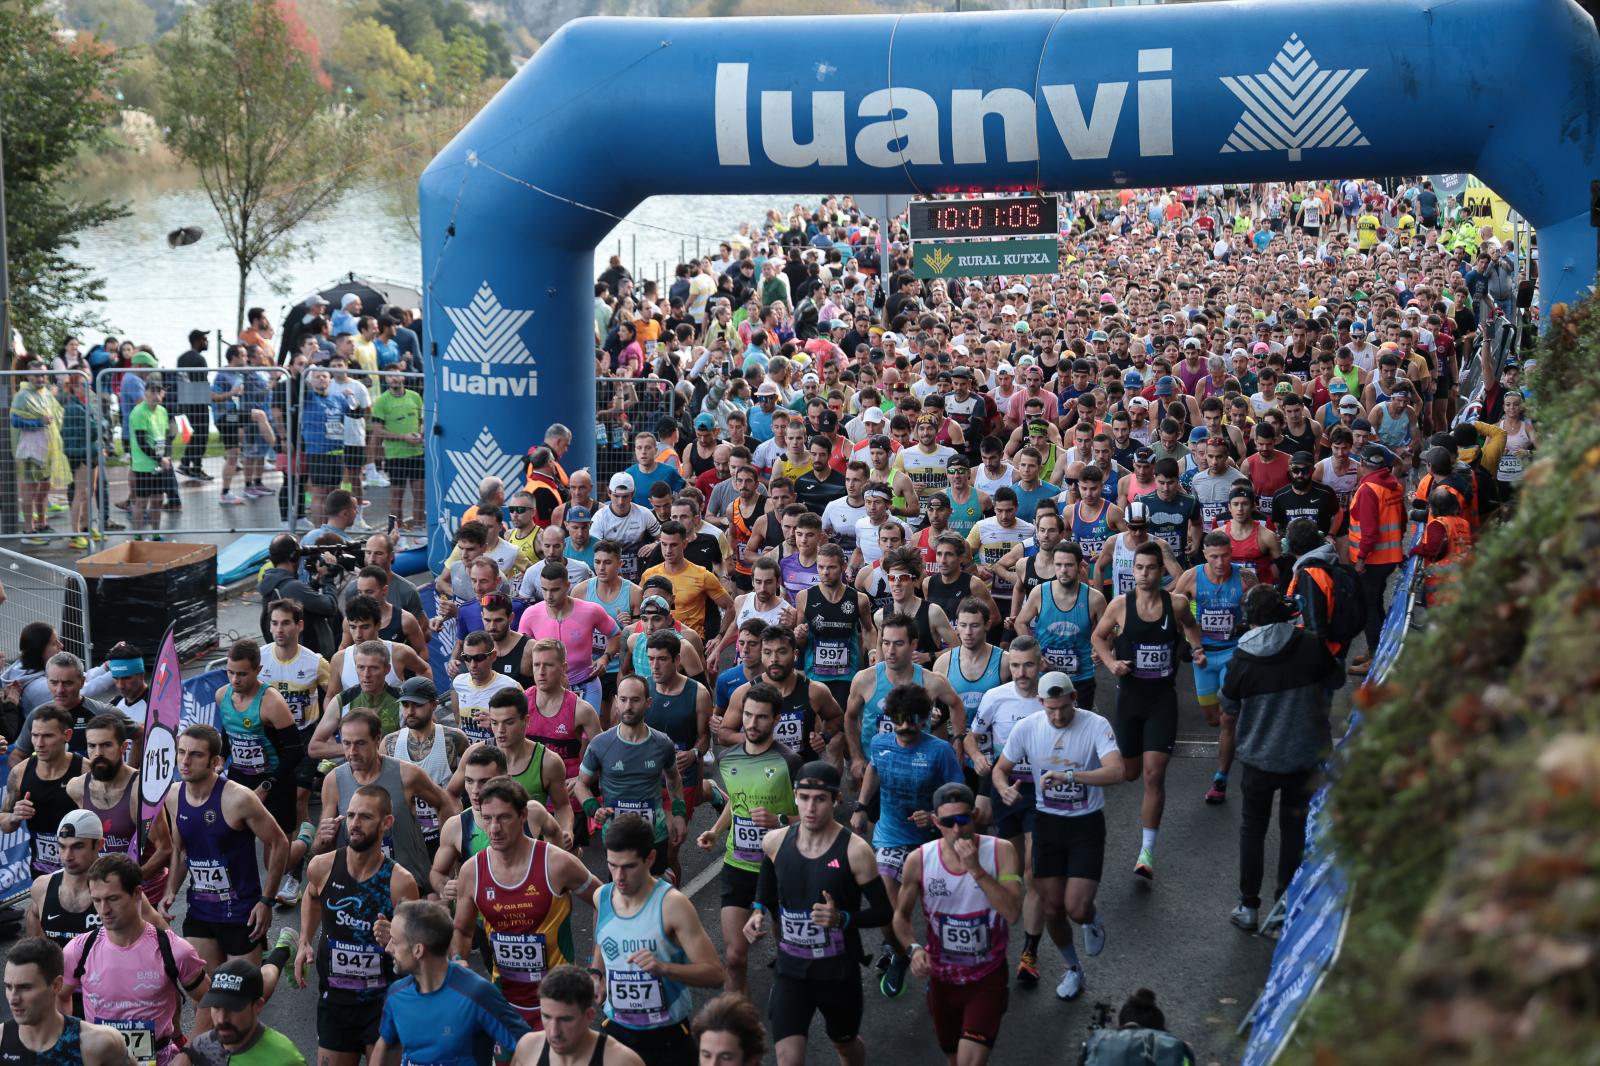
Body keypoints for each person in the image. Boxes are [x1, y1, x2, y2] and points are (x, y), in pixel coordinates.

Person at [742, 759, 888, 1066]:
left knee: (845, 1046)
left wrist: (843, 919)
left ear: (836, 800)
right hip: (791, 970)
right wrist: (757, 910)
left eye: (820, 799)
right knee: (787, 1059)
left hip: (836, 972)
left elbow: (884, 912)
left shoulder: (856, 851)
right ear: (795, 795)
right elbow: (766, 879)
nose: (810, 807)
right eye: (804, 797)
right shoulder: (775, 841)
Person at [992, 671, 1123, 1000]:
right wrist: (1002, 789)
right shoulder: (1028, 727)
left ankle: (1091, 920)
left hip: (1085, 824)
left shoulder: (1095, 724)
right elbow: (999, 768)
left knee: (1076, 908)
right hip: (1047, 824)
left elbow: (1117, 771)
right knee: (1052, 909)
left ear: (1074, 699)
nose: (1057, 715)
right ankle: (1073, 968)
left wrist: (1070, 776)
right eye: (1050, 709)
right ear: (1040, 703)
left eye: (1063, 708)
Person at [1221, 585, 1342, 931]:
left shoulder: (1242, 659)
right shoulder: (1309, 645)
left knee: (1252, 829)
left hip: (1258, 759)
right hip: (1304, 755)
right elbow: (1335, 678)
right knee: (1293, 831)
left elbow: (1227, 706)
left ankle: (1248, 906)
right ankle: (1284, 904)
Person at [1091, 543, 1206, 882]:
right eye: (1138, 568)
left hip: (1161, 699)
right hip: (1130, 698)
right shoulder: (1119, 607)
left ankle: (1146, 851)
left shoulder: (1178, 604)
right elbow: (1098, 638)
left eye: (1150, 568)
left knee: (1154, 774)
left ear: (1161, 571)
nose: (1143, 574)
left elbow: (1191, 627)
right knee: (1129, 774)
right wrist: (1112, 663)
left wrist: (1197, 649)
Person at [450, 777, 600, 1032]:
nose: (494, 828)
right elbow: (463, 932)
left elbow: (605, 901)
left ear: (522, 816)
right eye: (488, 819)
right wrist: (457, 961)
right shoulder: (472, 871)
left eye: (503, 817)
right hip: (505, 1004)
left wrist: (596, 967)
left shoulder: (556, 863)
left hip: (559, 1002)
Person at [892, 781, 1023, 1066]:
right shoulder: (919, 860)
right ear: (936, 821)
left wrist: (976, 869)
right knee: (953, 1058)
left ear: (974, 816)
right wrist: (914, 949)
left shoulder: (1002, 852)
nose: (956, 830)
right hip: (943, 981)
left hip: (987, 976)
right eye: (948, 822)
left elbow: (1013, 913)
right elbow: (900, 917)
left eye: (963, 820)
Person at [850, 682, 964, 999]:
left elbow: (959, 795)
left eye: (913, 718)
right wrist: (860, 806)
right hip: (891, 836)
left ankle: (938, 966)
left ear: (925, 718)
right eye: (899, 718)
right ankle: (902, 954)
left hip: (932, 842)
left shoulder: (939, 752)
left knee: (936, 912)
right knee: (886, 910)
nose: (905, 726)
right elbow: (874, 769)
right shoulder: (881, 743)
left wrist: (935, 816)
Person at [295, 784, 420, 1064]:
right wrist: (304, 940)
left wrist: (394, 940)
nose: (354, 824)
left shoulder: (400, 882)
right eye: (350, 815)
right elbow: (313, 895)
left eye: (365, 817)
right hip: (335, 1000)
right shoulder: (322, 866)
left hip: (383, 1003)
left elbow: (417, 953)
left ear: (387, 823)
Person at [695, 682, 804, 994]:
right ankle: (736, 1022)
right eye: (748, 716)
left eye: (761, 718)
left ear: (776, 720)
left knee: (789, 949)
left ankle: (787, 990)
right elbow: (737, 800)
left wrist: (779, 820)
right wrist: (715, 831)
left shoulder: (790, 762)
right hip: (738, 864)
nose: (752, 724)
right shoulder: (729, 759)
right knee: (734, 956)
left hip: (780, 866)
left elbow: (812, 820)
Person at [591, 814, 725, 1065]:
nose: (618, 876)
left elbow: (715, 974)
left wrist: (665, 969)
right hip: (617, 1032)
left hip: (666, 1038)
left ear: (650, 858)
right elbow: (602, 940)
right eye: (612, 865)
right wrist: (596, 974)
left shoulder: (672, 905)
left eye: (629, 866)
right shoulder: (602, 897)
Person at [63, 854, 213, 1065]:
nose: (103, 910)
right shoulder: (79, 950)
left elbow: (211, 1000)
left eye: (113, 899)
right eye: (97, 900)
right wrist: (69, 1045)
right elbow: (58, 998)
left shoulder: (173, 949)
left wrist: (188, 1053)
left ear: (136, 894)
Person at [163, 725, 289, 968]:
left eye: (196, 755)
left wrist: (266, 901)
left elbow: (279, 842)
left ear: (215, 761)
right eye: (181, 752)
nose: (185, 761)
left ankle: (282, 953)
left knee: (242, 1000)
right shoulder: (172, 796)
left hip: (241, 911)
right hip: (200, 910)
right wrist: (170, 890)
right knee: (207, 996)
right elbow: (180, 851)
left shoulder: (239, 798)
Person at [371, 899, 532, 1065]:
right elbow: (387, 1044)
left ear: (418, 950)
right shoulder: (396, 994)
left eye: (395, 942)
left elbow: (529, 1047)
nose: (388, 949)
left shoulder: (476, 994)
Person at [321, 708, 457, 894]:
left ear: (377, 739)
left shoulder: (407, 775)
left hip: (408, 885)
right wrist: (323, 837)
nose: (352, 752)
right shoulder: (333, 781)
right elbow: (322, 845)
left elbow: (444, 803)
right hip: (359, 887)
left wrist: (443, 858)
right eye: (346, 743)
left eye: (360, 743)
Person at [1171, 532, 1258, 806]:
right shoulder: (1191, 577)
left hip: (1234, 653)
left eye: (1225, 556)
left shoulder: (1245, 577)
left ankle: (1221, 777)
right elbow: (1173, 609)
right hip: (1204, 657)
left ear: (1232, 553)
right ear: (1205, 556)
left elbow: (1262, 614)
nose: (1220, 563)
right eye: (1214, 557)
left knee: (1227, 718)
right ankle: (1233, 733)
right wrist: (1185, 643)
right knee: (1212, 719)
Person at [575, 675, 686, 876]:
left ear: (648, 703)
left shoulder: (662, 744)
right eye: (623, 700)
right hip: (616, 838)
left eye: (635, 700)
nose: (628, 706)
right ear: (616, 701)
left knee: (653, 899)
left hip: (654, 836)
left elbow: (674, 779)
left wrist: (678, 814)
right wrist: (592, 808)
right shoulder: (601, 744)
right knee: (620, 897)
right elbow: (580, 784)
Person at [66, 715, 172, 908]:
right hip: (102, 891)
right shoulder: (76, 788)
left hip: (143, 891)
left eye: (106, 745)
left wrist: (126, 883)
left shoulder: (142, 790)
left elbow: (165, 849)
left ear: (123, 747)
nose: (98, 753)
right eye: (92, 746)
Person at [26, 808, 163, 950]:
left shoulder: (118, 888)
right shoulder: (42, 887)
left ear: (99, 844)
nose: (67, 856)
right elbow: (34, 918)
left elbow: (165, 936)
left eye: (77, 847)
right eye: (62, 847)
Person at [214, 640, 304, 854]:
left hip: (276, 781)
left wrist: (266, 786)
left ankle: (305, 842)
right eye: (231, 672)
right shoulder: (222, 696)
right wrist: (220, 756)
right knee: (234, 849)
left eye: (242, 674)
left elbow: (295, 751)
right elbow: (228, 731)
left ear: (258, 670)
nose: (235, 679)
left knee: (275, 860)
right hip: (240, 779)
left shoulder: (271, 702)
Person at [0, 937, 130, 1064]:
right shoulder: (1, 1040)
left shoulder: (98, 1043)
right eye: (9, 987)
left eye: (25, 988)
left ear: (56, 985)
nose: (13, 999)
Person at [382, 676, 472, 858]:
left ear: (434, 705)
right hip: (407, 838)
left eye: (417, 705)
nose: (410, 711)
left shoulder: (454, 739)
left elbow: (474, 778)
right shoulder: (390, 743)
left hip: (445, 833)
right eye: (405, 705)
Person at [1013, 542, 1105, 708]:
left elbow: (1107, 632)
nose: (1063, 570)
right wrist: (1035, 653)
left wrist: (1101, 649)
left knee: (1079, 728)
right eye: (1059, 565)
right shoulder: (1039, 593)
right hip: (1045, 675)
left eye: (1069, 565)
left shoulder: (1095, 598)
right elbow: (1020, 622)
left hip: (1081, 677)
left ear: (1079, 567)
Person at [519, 563, 622, 710]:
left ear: (568, 586)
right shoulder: (531, 614)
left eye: (555, 590)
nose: (549, 596)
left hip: (586, 683)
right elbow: (523, 653)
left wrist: (606, 657)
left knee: (587, 732)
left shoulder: (590, 610)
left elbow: (616, 634)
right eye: (545, 590)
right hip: (549, 689)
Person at [0, 705, 86, 877]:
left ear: (67, 735)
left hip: (83, 870)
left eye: (47, 736)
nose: (39, 744)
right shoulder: (19, 773)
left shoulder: (85, 771)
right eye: (35, 735)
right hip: (43, 869)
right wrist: (15, 816)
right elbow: (4, 822)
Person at [1345, 443, 1406, 676]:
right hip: (1389, 557)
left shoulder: (1368, 490)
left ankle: (1375, 656)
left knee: (1369, 607)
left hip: (1372, 561)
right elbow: (1402, 520)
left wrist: (1360, 558)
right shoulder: (1393, 485)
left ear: (1362, 465)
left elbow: (1369, 532)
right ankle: (1377, 650)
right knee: (1376, 602)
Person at [508, 965, 645, 1066]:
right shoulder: (528, 1049)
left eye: (565, 1019)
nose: (554, 1032)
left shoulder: (622, 1061)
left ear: (589, 1016)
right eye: (547, 1017)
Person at [185, 958, 307, 1065]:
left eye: (233, 1008)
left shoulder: (285, 1061)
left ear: (258, 1006)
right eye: (216, 1007)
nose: (222, 1019)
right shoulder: (202, 1046)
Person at [257, 534, 344, 657]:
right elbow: (330, 607)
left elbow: (298, 602)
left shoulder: (272, 584)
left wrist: (314, 584)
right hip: (308, 660)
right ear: (293, 557)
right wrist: (328, 578)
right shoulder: (293, 587)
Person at [1082, 988, 1196, 1066]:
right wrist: (1185, 1050)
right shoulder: (1174, 1047)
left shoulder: (1097, 1042)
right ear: (1160, 1030)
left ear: (1122, 1025)